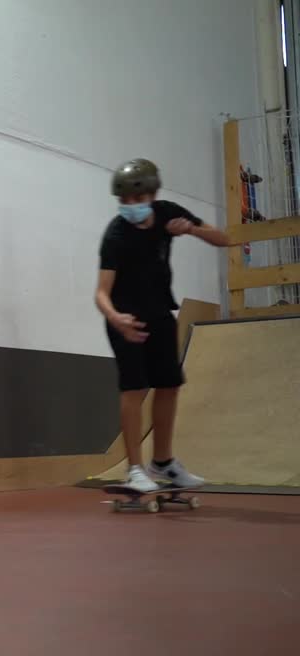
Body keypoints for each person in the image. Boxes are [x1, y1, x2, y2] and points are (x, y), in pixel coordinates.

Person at [94, 158, 230, 491]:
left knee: (169, 384)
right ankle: (135, 469)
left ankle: (164, 462)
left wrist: (192, 229)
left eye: (137, 200)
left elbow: (223, 239)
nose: (131, 206)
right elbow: (101, 293)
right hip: (127, 320)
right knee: (135, 388)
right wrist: (115, 318)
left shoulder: (168, 212)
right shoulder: (116, 234)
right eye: (124, 200)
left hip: (160, 315)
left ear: (153, 195)